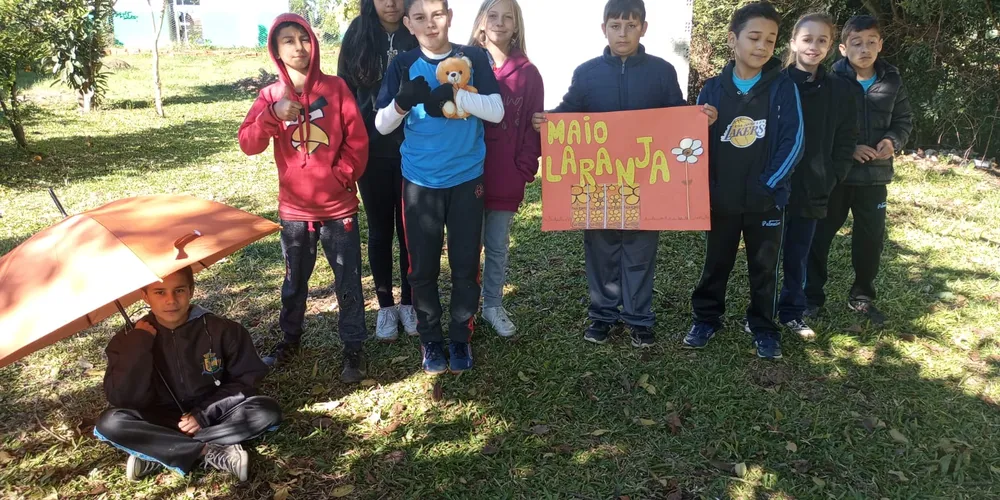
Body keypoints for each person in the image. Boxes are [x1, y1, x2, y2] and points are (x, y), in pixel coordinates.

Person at [532, 0, 690, 348]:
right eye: (616, 25)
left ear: (643, 28)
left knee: (640, 250)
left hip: (646, 180)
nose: (623, 32)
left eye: (631, 25)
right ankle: (602, 315)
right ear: (603, 28)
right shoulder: (587, 73)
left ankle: (638, 318)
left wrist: (699, 118)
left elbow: (678, 114)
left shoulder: (662, 71)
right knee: (601, 248)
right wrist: (547, 121)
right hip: (598, 179)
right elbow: (569, 112)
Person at [239, 14, 371, 383]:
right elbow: (248, 143)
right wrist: (271, 115)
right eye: (288, 41)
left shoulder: (336, 88)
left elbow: (357, 141)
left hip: (338, 208)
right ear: (276, 51)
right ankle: (290, 338)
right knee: (295, 280)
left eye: (304, 38)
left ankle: (354, 347)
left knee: (348, 280)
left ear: (313, 42)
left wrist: (340, 175)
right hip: (295, 211)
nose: (298, 47)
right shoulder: (270, 96)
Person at [374, 0, 504, 374]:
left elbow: (496, 110)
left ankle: (460, 338)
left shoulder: (474, 57)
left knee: (465, 265)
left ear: (449, 17)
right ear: (408, 24)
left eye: (437, 15)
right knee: (423, 268)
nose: (430, 24)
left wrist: (457, 96)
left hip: (467, 180)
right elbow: (381, 125)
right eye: (420, 18)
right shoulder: (402, 64)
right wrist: (401, 102)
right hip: (420, 183)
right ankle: (431, 341)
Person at [682, 2, 803, 359]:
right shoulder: (712, 90)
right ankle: (706, 318)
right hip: (721, 199)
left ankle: (763, 326)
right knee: (715, 262)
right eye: (754, 37)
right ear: (733, 39)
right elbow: (693, 144)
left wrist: (768, 186)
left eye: (771, 39)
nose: (762, 46)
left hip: (766, 200)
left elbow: (793, 142)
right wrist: (704, 187)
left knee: (764, 267)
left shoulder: (783, 87)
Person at [94, 268, 282, 482]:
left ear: (191, 290)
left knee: (265, 411)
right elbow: (122, 397)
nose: (171, 300)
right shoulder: (127, 340)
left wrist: (203, 414)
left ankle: (158, 450)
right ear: (144, 296)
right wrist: (139, 344)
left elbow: (246, 378)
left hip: (215, 412)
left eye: (179, 290)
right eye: (159, 292)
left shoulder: (222, 329)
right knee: (110, 423)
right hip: (159, 418)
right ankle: (208, 451)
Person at [806, 14, 912, 327]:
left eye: (870, 42)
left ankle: (862, 296)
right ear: (842, 48)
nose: (864, 49)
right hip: (837, 176)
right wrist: (848, 150)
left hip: (875, 179)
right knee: (819, 236)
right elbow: (819, 127)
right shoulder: (831, 80)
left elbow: (904, 121)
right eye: (856, 43)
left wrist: (892, 141)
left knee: (870, 239)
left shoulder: (892, 79)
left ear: (880, 44)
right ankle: (811, 298)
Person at [338, 0, 420, 342]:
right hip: (369, 151)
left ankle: (409, 302)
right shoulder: (357, 33)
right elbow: (343, 94)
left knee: (410, 230)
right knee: (380, 230)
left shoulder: (417, 30)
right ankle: (385, 305)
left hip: (414, 150)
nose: (390, 2)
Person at [774, 13, 858, 341]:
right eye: (807, 39)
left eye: (822, 40)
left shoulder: (839, 89)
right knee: (766, 255)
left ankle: (793, 311)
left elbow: (847, 136)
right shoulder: (775, 83)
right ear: (794, 42)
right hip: (774, 185)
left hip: (814, 187)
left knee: (799, 253)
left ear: (830, 46)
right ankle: (761, 313)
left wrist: (833, 175)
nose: (814, 46)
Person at [467, 0, 543, 337]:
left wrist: (523, 169)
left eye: (507, 17)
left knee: (497, 244)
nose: (499, 22)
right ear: (481, 23)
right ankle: (465, 306)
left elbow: (533, 127)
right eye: (492, 16)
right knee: (467, 245)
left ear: (516, 26)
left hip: (506, 176)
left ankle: (493, 305)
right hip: (464, 174)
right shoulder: (463, 65)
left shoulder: (529, 75)